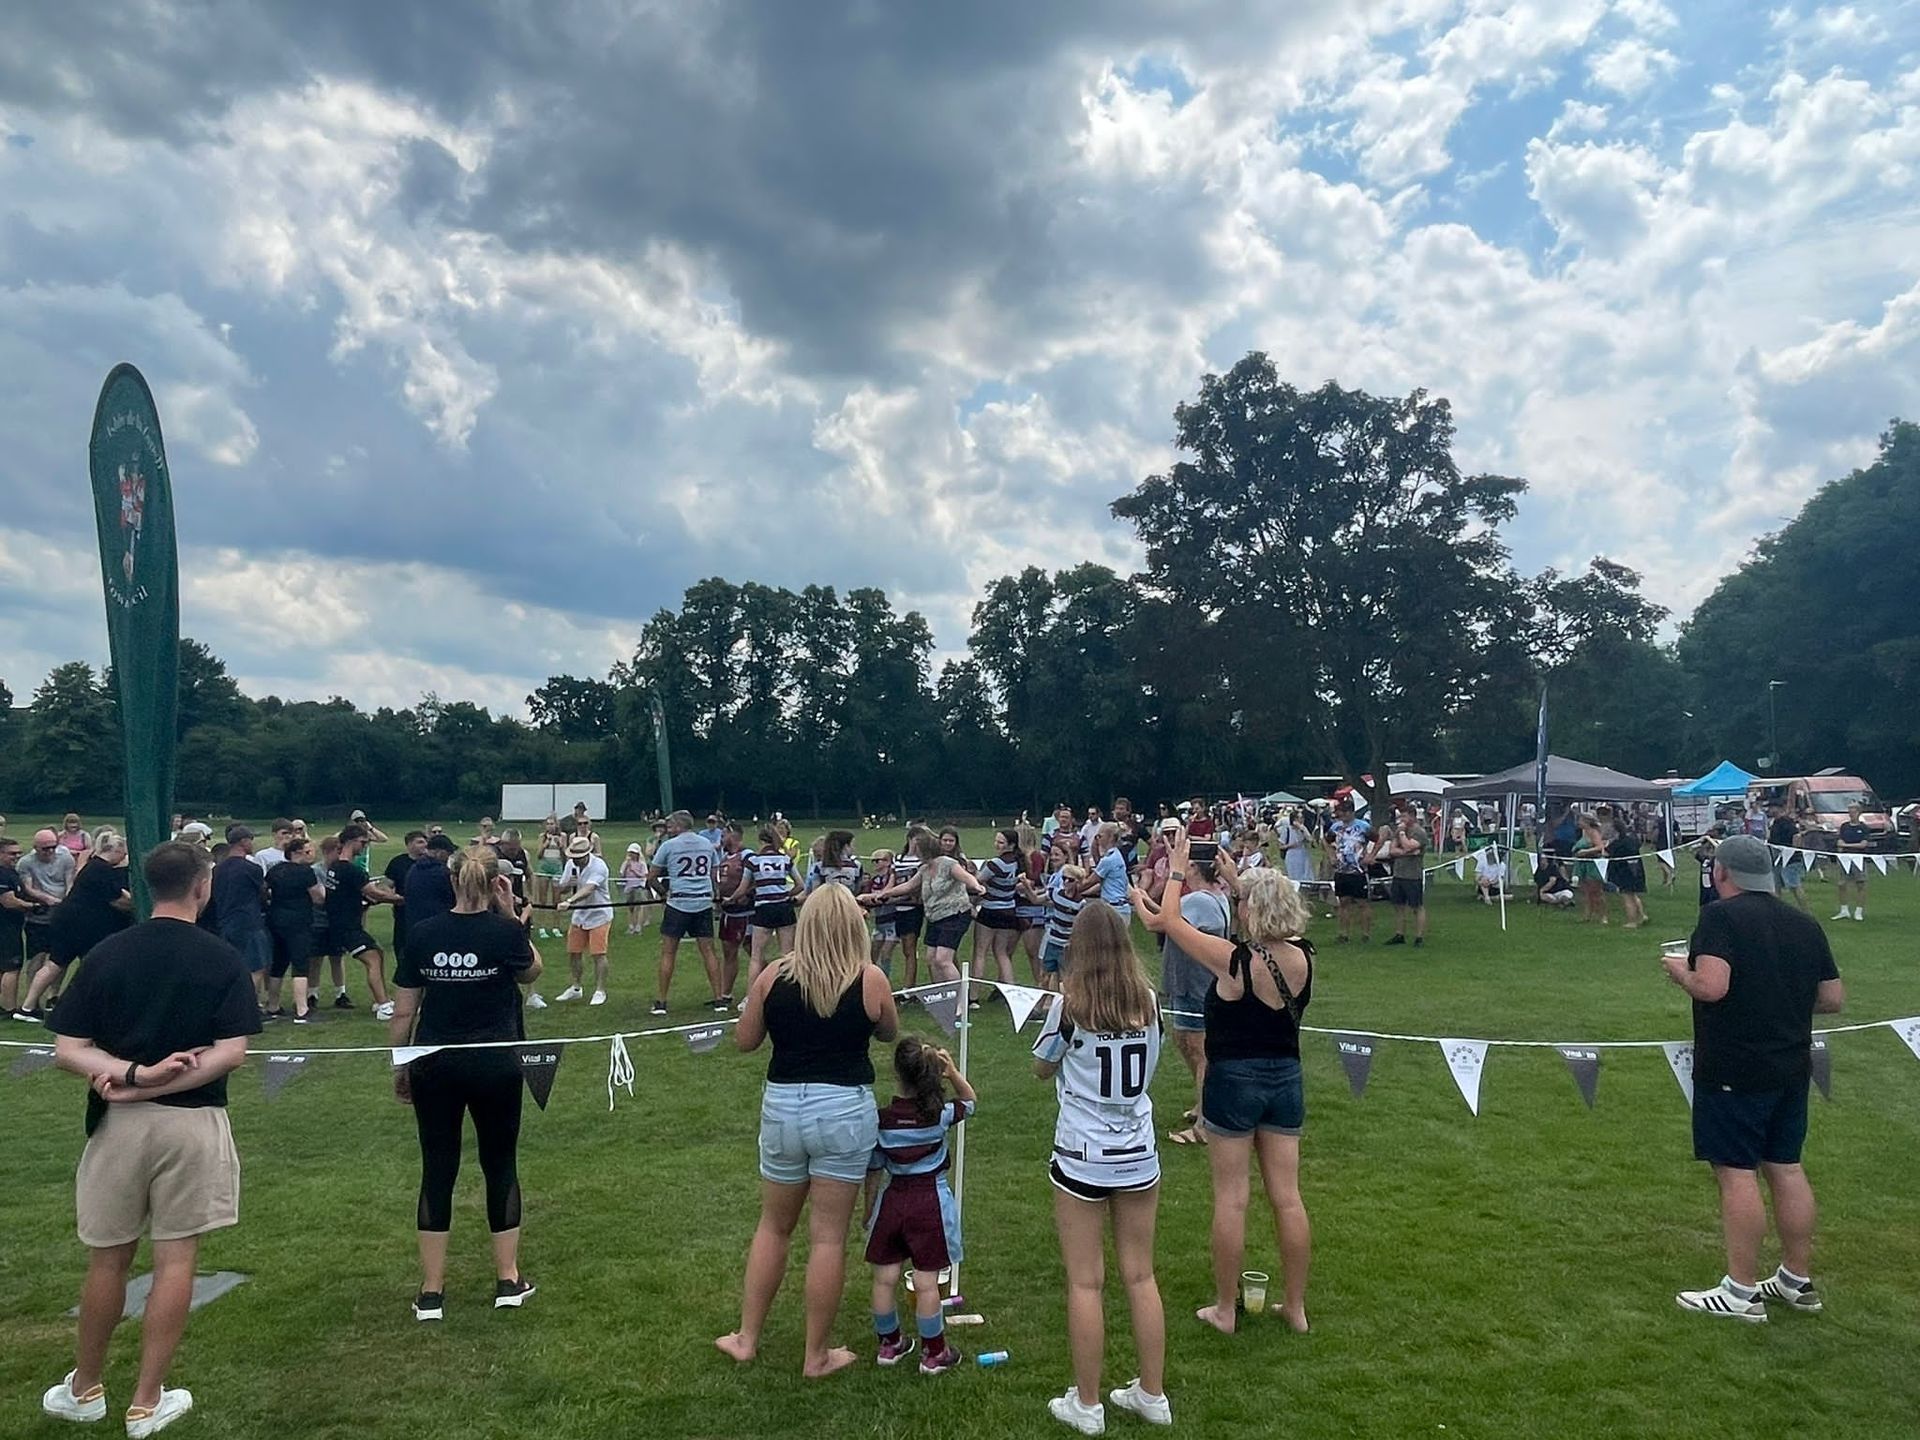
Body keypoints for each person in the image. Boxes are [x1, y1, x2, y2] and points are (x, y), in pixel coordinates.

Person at [40, 842, 260, 1437]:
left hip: (119, 1124)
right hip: (188, 1124)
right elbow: (231, 1052)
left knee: (108, 1258)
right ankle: (145, 1400)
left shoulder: (108, 952)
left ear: (144, 887)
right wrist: (148, 1076)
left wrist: (133, 1080)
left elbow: (70, 1049)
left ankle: (86, 1387)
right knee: (176, 1257)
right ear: (202, 886)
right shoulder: (221, 957)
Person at [717, 885, 900, 1377]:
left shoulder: (774, 975)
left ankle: (747, 1337)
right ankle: (815, 1356)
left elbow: (745, 1040)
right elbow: (888, 1031)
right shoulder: (870, 977)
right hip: (843, 1109)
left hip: (783, 1107)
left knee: (773, 1226)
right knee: (827, 1239)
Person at [1662, 834, 1844, 1322]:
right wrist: (1777, 999)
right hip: (1791, 1065)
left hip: (1735, 1066)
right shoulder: (1804, 922)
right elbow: (1832, 998)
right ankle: (1795, 1279)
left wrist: (1679, 971)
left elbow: (1711, 987)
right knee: (1785, 1166)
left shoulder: (1720, 917)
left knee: (1736, 1172)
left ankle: (1740, 1291)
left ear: (1721, 873)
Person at [1136, 844, 1313, 1337]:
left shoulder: (1233, 960)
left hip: (1234, 1080)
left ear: (1249, 911)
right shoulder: (1302, 955)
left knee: (1232, 1199)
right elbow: (1264, 914)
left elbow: (1169, 921)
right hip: (1286, 1079)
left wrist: (1174, 870)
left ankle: (1225, 1308)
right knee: (1288, 1198)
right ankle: (1296, 1308)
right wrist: (1243, 883)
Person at [1032, 901, 1170, 1433]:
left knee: (1086, 1283)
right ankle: (1151, 1393)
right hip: (1138, 1151)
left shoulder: (1070, 1007)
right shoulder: (1150, 1002)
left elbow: (1042, 1068)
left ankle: (1088, 1404)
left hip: (1083, 1153)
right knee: (1141, 1274)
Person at [391, 846, 542, 1321]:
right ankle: (507, 1279)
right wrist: (511, 912)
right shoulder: (504, 931)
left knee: (438, 1170)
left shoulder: (422, 934)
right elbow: (533, 971)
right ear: (494, 881)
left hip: (434, 1064)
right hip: (496, 1064)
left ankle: (432, 1292)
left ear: (451, 881)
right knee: (500, 1165)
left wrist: (400, 1067)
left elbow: (403, 1011)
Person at [866, 1036, 976, 1373]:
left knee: (884, 1278)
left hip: (892, 1200)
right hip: (929, 1202)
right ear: (933, 1076)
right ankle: (934, 1353)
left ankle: (890, 1345)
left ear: (897, 1073)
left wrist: (868, 1209)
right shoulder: (939, 1115)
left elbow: (873, 1168)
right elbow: (970, 1102)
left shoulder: (880, 1120)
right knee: (927, 1282)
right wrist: (954, 1073)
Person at [1149, 840, 1232, 1149]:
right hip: (1192, 981)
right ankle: (1202, 1104)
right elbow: (1169, 915)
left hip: (1195, 983)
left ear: (1192, 867)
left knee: (1200, 1052)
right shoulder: (1215, 895)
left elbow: (1156, 923)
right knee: (1188, 1044)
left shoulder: (1198, 899)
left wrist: (1136, 899)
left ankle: (1205, 1124)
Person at [26, 830, 134, 1022]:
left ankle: (28, 1006)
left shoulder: (94, 867)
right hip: (78, 925)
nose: (124, 856)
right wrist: (139, 905)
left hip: (68, 921)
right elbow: (118, 901)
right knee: (80, 963)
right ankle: (82, 1005)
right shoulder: (101, 870)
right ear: (114, 850)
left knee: (56, 963)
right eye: (122, 852)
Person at [863, 828, 983, 984]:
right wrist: (883, 894)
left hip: (955, 914)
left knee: (942, 959)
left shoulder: (948, 864)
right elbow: (908, 886)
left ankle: (959, 999)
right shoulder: (924, 869)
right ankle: (942, 996)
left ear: (925, 850)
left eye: (917, 850)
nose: (915, 853)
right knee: (931, 958)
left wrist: (977, 886)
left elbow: (966, 877)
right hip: (935, 917)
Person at [651, 810, 726, 1015]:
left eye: (670, 825)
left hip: (678, 902)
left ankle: (661, 1002)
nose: (668, 829)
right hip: (703, 901)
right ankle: (719, 999)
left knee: (668, 952)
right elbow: (714, 875)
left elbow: (651, 876)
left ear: (679, 826)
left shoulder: (669, 845)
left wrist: (664, 893)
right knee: (709, 951)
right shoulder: (707, 845)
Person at [328, 826, 400, 1019]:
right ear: (351, 842)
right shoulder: (352, 871)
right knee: (373, 959)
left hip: (342, 923)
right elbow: (374, 892)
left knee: (377, 954)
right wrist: (400, 899)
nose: (366, 846)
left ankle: (381, 1000)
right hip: (347, 926)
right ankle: (384, 1007)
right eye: (363, 842)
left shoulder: (334, 867)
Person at [15, 829, 79, 1021]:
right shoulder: (26, 863)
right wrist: (48, 899)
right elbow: (28, 887)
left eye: (53, 847)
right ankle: (32, 1001)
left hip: (61, 913)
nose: (50, 852)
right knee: (37, 958)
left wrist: (66, 899)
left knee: (59, 958)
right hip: (39, 916)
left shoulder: (65, 858)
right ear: (36, 848)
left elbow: (70, 880)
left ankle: (53, 996)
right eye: (45, 849)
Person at [262, 837, 325, 1023]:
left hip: (275, 919)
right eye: (307, 852)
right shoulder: (306, 872)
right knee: (300, 964)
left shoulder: (275, 870)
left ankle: (272, 1006)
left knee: (278, 963)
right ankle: (301, 1010)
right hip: (298, 921)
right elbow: (318, 898)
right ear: (297, 853)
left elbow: (264, 890)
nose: (310, 855)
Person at [211, 827, 271, 1007]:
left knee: (232, 966)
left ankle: (230, 1003)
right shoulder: (251, 868)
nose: (252, 843)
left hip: (225, 921)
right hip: (249, 921)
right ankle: (248, 1006)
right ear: (243, 842)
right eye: (250, 839)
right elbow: (262, 894)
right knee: (256, 967)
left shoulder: (218, 870)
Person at [734, 824, 800, 984]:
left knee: (757, 957)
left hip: (763, 908)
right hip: (784, 908)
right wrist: (785, 894)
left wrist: (730, 899)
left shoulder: (753, 860)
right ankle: (790, 991)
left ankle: (751, 995)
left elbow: (742, 889)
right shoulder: (785, 859)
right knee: (788, 955)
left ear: (761, 841)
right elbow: (800, 885)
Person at [555, 834, 614, 1005]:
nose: (576, 860)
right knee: (574, 952)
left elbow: (589, 889)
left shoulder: (599, 866)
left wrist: (570, 901)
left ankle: (600, 990)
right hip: (580, 915)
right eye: (573, 857)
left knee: (598, 954)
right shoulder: (570, 864)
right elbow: (562, 888)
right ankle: (576, 987)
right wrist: (568, 885)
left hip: (599, 914)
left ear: (587, 854)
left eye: (579, 857)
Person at [717, 823, 756, 1001]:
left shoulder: (747, 856)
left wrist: (744, 894)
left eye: (724, 835)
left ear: (733, 835)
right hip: (728, 912)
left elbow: (758, 880)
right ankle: (726, 994)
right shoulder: (725, 857)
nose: (721, 839)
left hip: (745, 913)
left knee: (752, 951)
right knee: (729, 952)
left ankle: (766, 984)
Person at [1326, 803, 1371, 944]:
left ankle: (1365, 933)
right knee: (1343, 902)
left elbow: (1378, 838)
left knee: (1362, 902)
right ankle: (1343, 933)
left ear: (1352, 812)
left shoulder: (1364, 826)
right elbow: (1326, 841)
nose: (1343, 815)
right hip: (1341, 869)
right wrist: (1331, 856)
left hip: (1358, 870)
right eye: (1341, 812)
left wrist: (1371, 855)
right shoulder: (1336, 827)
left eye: (1345, 812)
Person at [1383, 809, 1426, 947]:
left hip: (1413, 875)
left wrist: (1402, 834)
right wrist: (1407, 852)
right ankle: (1399, 934)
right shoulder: (1399, 831)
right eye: (1401, 816)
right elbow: (1392, 850)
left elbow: (1408, 845)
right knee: (1398, 906)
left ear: (1413, 816)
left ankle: (1419, 936)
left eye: (1405, 816)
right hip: (1399, 874)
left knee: (1416, 906)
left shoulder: (1419, 832)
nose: (1402, 819)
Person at [1, 834, 32, 1017]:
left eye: (19, 853)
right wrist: (33, 907)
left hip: (11, 926)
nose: (16, 857)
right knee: (11, 967)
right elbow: (8, 901)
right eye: (11, 854)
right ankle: (10, 1008)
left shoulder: (11, 872)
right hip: (5, 926)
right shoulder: (2, 874)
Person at [1766, 804, 1810, 913]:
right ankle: (1776, 911)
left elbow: (1797, 837)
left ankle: (1806, 912)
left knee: (1794, 885)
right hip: (1777, 858)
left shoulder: (1787, 822)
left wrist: (1793, 852)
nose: (1769, 809)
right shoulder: (1775, 822)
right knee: (1776, 886)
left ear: (1779, 808)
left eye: (1772, 807)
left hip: (1790, 859)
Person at [1833, 802, 1871, 921]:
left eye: (1853, 811)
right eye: (1849, 811)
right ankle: (1844, 910)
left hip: (1858, 859)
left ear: (1859, 812)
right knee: (1842, 884)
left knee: (1860, 884)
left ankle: (1858, 911)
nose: (1851, 813)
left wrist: (1848, 845)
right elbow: (1839, 842)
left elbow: (1863, 844)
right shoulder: (1844, 826)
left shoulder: (1864, 828)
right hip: (1845, 858)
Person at [1608, 818, 1648, 929]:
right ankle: (1642, 916)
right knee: (1633, 895)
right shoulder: (1632, 840)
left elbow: (1606, 853)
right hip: (1636, 870)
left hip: (1624, 872)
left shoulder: (1617, 843)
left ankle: (1632, 922)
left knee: (1627, 897)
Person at [532, 818, 567, 939]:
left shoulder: (562, 836)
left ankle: (556, 926)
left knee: (557, 899)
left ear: (556, 825)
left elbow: (565, 855)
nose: (550, 826)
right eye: (548, 824)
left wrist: (560, 845)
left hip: (557, 867)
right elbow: (538, 855)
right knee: (542, 899)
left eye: (552, 824)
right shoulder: (542, 836)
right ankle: (542, 927)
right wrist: (546, 844)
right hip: (544, 868)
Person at [620, 842, 651, 935]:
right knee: (630, 908)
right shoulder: (626, 863)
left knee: (639, 906)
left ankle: (638, 926)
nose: (631, 855)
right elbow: (622, 875)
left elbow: (644, 876)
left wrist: (634, 870)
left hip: (639, 887)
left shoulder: (642, 864)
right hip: (629, 887)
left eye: (633, 853)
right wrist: (626, 866)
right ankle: (631, 925)